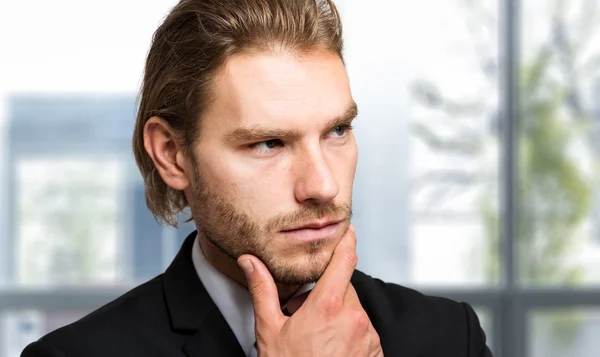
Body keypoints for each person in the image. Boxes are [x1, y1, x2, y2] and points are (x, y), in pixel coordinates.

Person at [21, 0, 493, 356]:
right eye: (268, 143)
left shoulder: (450, 337)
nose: (322, 185)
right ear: (172, 155)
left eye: (337, 130)